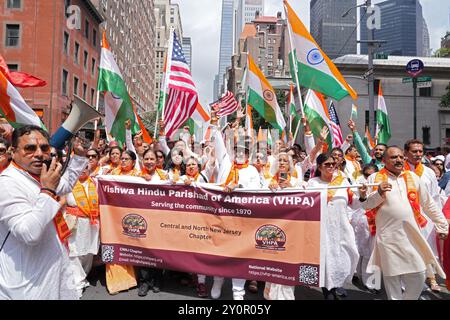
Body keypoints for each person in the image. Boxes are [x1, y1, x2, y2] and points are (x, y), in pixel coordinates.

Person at [0, 125, 88, 299]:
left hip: (52, 270)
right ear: (13, 152)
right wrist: (47, 191)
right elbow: (29, 234)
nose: (39, 154)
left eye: (44, 148)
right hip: (27, 281)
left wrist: (79, 156)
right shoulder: (7, 183)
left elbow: (64, 186)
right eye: (30, 148)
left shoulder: (38, 174)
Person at [359, 146, 449, 300]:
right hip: (387, 238)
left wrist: (442, 225)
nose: (399, 160)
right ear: (384, 160)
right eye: (394, 157)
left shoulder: (413, 177)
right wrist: (379, 193)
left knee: (419, 274)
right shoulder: (374, 178)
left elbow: (428, 204)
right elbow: (366, 205)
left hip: (411, 236)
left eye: (401, 157)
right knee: (392, 279)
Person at [307, 153, 361, 300]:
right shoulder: (313, 183)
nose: (331, 166)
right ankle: (328, 292)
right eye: (327, 164)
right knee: (326, 260)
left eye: (333, 164)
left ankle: (339, 284)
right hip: (322, 228)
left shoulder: (343, 182)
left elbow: (354, 203)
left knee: (347, 256)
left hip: (342, 227)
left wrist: (362, 196)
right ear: (319, 167)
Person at [404, 139, 444, 292]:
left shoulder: (429, 173)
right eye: (414, 151)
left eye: (420, 151)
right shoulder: (401, 172)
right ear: (406, 153)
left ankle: (432, 278)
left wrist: (438, 221)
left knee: (427, 247)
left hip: (425, 218)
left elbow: (434, 198)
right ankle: (411, 282)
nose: (418, 154)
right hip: (407, 217)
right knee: (410, 249)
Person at [106, 150, 140, 295]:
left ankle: (131, 279)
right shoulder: (112, 174)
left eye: (127, 159)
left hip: (131, 216)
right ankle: (116, 281)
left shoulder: (138, 176)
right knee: (114, 243)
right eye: (122, 158)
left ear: (133, 162)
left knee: (129, 246)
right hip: (113, 216)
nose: (123, 161)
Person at [64, 165, 100, 296]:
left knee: (88, 252)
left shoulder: (95, 182)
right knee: (74, 252)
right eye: (79, 168)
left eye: (85, 167)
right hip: (74, 221)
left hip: (92, 222)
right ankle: (77, 282)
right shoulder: (68, 183)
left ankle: (82, 277)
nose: (82, 170)